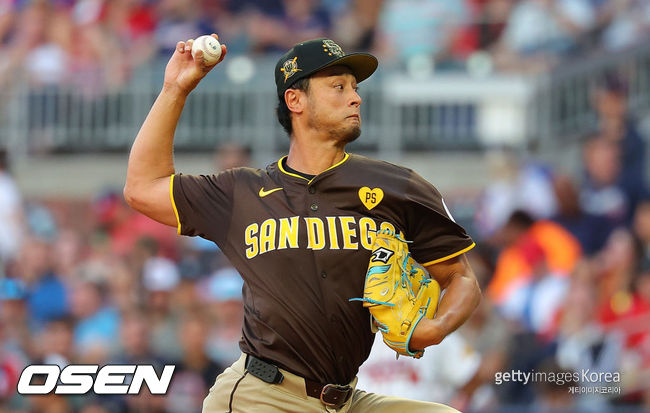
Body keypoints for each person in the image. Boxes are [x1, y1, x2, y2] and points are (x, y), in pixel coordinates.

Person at [124, 35, 481, 412]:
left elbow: (461, 278)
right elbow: (142, 188)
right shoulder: (242, 193)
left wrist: (438, 327)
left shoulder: (399, 187)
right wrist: (175, 90)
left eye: (355, 88)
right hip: (262, 396)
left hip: (347, 399)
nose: (356, 97)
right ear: (295, 100)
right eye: (338, 87)